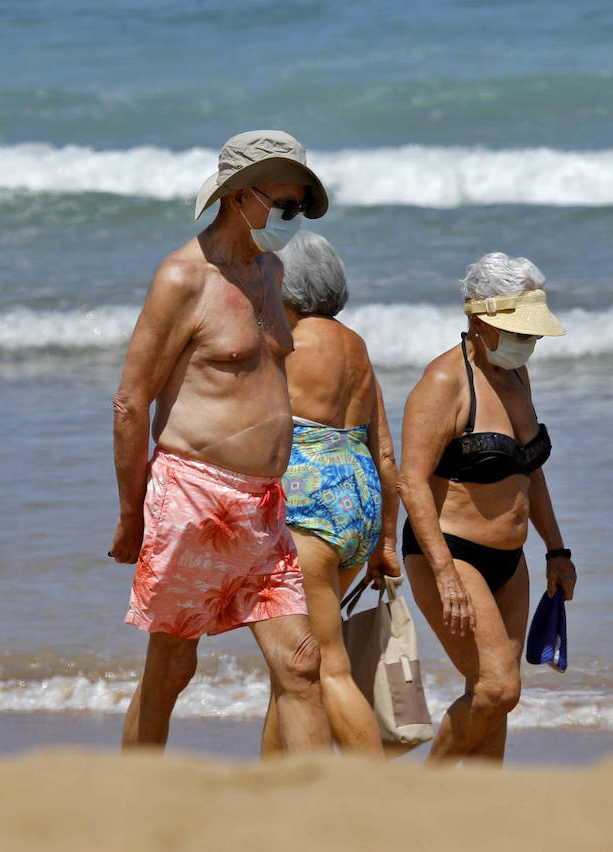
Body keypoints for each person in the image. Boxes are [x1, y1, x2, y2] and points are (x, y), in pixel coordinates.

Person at [109, 129, 333, 753]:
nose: (291, 220)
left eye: (298, 208)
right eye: (282, 206)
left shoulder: (271, 270)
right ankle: (133, 803)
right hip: (194, 500)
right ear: (239, 196)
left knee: (300, 663)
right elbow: (131, 402)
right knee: (172, 669)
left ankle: (320, 817)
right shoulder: (184, 277)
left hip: (264, 504)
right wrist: (132, 517)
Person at [398, 252, 578, 764]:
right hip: (452, 554)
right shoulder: (443, 384)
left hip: (510, 562)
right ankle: (418, 792)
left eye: (532, 332)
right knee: (498, 688)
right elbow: (411, 482)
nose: (530, 341)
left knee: (494, 699)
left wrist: (556, 549)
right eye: (520, 330)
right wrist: (444, 574)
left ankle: (480, 813)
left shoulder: (516, 377)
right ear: (478, 321)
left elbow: (529, 469)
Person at [259, 230, 400, 757]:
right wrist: (385, 539)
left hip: (308, 505)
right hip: (359, 501)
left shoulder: (286, 341)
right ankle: (268, 788)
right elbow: (386, 452)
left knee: (325, 665)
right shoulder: (358, 349)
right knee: (291, 665)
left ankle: (372, 795)